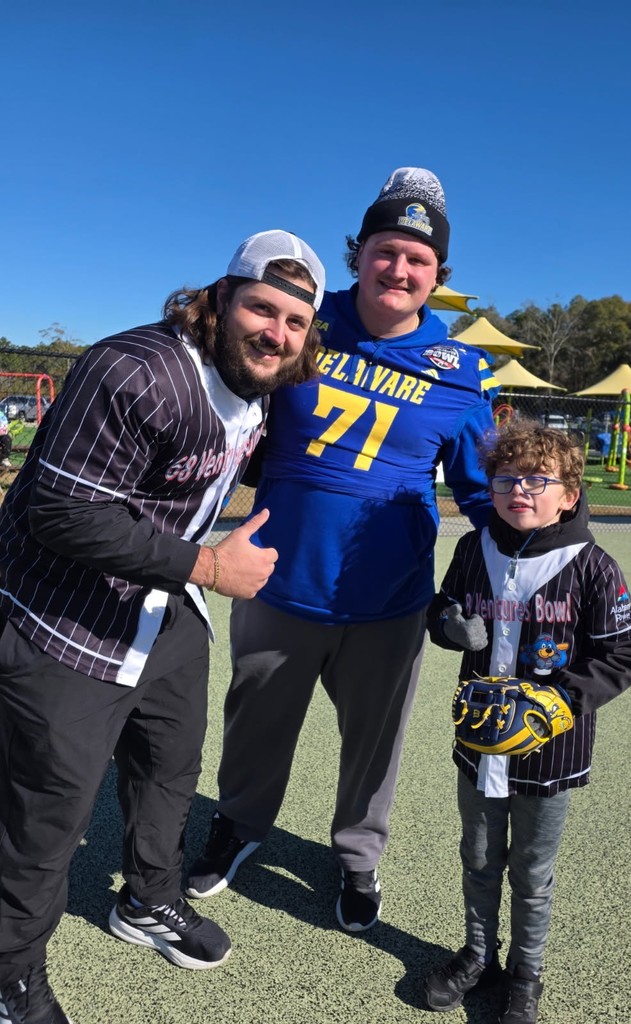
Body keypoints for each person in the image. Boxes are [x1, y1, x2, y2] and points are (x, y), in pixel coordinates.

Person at [0, 229, 325, 1024]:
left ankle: (147, 899)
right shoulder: (135, 368)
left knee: (170, 765)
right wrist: (212, 569)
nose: (276, 333)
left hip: (161, 607)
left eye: (294, 322)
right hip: (63, 617)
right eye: (262, 308)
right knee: (48, 813)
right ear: (220, 300)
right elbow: (60, 511)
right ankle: (8, 974)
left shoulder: (263, 384)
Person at [186, 167, 500, 933]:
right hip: (275, 578)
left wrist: (535, 558)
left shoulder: (460, 372)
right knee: (255, 723)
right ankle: (240, 823)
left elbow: (484, 489)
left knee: (374, 744)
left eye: (418, 260)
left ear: (439, 276)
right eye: (387, 251)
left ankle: (358, 856)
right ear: (359, 254)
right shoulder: (299, 323)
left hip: (387, 596)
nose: (399, 269)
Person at [422, 419, 631, 1023]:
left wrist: (562, 701)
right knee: (478, 853)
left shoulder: (593, 565)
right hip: (478, 743)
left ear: (569, 495)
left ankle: (527, 971)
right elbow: (443, 607)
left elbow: (623, 657)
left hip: (552, 751)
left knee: (532, 870)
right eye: (506, 478)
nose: (519, 489)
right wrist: (449, 627)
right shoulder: (474, 547)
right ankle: (476, 955)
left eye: (538, 480)